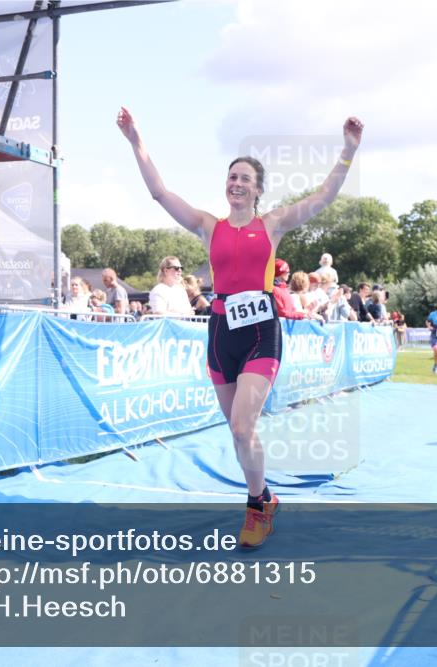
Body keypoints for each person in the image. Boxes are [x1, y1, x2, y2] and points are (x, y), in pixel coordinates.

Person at [118, 105, 362, 547]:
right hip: (219, 333)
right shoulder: (208, 227)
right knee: (234, 426)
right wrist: (136, 141)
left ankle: (255, 508)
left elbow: (324, 197)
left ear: (257, 190)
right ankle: (265, 496)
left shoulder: (273, 224)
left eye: (245, 178)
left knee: (243, 426)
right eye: (232, 177)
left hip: (260, 332)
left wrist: (347, 150)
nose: (236, 183)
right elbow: (159, 192)